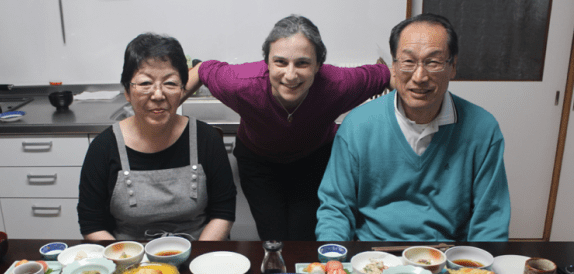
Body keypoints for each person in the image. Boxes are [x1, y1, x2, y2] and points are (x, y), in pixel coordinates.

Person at [184, 15, 390, 241]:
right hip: (258, 162)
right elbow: (202, 69)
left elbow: (388, 74)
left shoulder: (338, 84)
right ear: (267, 62)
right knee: (273, 238)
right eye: (280, 62)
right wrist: (163, 112)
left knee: (304, 237)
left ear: (318, 65)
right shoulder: (240, 83)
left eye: (302, 63)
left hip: (314, 159)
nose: (290, 75)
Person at [316, 13, 511, 242]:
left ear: (453, 66)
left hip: (448, 256)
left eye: (433, 62)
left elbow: (490, 220)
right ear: (394, 66)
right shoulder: (358, 125)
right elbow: (335, 210)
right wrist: (335, 258)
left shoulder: (483, 129)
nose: (419, 77)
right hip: (374, 255)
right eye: (408, 62)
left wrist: (478, 264)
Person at [78, 33, 236, 241]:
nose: (158, 95)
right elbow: (91, 223)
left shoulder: (206, 139)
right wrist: (126, 256)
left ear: (182, 89)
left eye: (170, 83)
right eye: (145, 83)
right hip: (130, 257)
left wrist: (199, 254)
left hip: (197, 252)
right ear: (127, 91)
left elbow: (223, 212)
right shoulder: (104, 147)